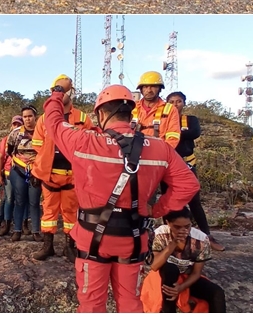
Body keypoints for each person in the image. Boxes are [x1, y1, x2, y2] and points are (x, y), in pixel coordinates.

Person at [41, 84, 199, 312]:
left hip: (92, 239)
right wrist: (156, 209)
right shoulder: (160, 148)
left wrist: (57, 94)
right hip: (133, 239)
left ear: (101, 114)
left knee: (92, 304)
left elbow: (53, 122)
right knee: (130, 303)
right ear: (131, 113)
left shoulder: (84, 142)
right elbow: (188, 184)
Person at [31, 74, 92, 261]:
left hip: (73, 175)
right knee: (48, 212)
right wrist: (42, 167)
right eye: (55, 90)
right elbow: (37, 145)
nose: (58, 94)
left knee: (71, 212)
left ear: (70, 93)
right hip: (51, 175)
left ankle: (69, 247)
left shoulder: (82, 117)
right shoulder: (43, 119)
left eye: (62, 90)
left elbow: (89, 144)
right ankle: (47, 246)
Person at [167, 90, 225, 251]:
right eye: (171, 102)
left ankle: (207, 235)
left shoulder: (190, 120)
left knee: (194, 201)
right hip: (168, 166)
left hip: (187, 164)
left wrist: (175, 133)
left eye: (178, 101)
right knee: (170, 201)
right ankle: (174, 237)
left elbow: (195, 132)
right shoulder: (162, 120)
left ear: (184, 103)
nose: (175, 105)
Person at [146, 207, 226, 313]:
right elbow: (155, 265)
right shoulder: (160, 234)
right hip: (163, 278)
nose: (183, 231)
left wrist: (181, 287)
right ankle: (168, 310)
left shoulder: (201, 239)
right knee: (171, 269)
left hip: (186, 277)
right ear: (167, 223)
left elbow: (196, 272)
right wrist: (173, 243)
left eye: (187, 226)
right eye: (177, 227)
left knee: (217, 293)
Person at [6, 104, 42, 242]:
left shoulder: (42, 132)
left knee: (34, 201)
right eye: (25, 117)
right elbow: (9, 151)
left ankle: (36, 231)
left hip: (36, 171)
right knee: (19, 200)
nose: (27, 119)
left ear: (35, 117)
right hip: (19, 171)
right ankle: (17, 230)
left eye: (30, 116)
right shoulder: (16, 133)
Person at [132, 71, 181, 149]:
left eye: (153, 86)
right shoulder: (132, 107)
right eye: (145, 87)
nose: (149, 90)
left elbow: (173, 137)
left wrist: (161, 153)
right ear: (141, 89)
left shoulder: (170, 109)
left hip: (159, 153)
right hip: (133, 153)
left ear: (159, 89)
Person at [0, 115, 23, 236]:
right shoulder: (6, 140)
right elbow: (0, 158)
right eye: (14, 124)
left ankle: (20, 225)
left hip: (22, 173)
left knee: (21, 200)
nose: (16, 127)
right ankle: (6, 223)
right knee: (9, 198)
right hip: (8, 173)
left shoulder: (26, 140)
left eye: (18, 124)